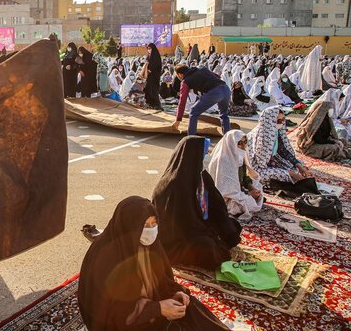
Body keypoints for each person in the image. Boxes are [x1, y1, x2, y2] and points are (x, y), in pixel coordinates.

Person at [78, 196, 231, 331]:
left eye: (154, 224)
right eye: (144, 226)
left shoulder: (150, 247)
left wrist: (176, 293)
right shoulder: (107, 258)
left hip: (146, 309)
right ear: (130, 226)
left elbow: (163, 281)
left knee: (190, 308)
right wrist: (157, 309)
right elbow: (114, 314)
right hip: (116, 323)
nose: (151, 230)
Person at [152, 137, 242, 271]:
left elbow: (216, 205)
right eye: (204, 153)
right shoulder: (173, 184)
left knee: (233, 225)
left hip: (198, 224)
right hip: (178, 236)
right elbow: (183, 223)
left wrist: (219, 226)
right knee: (206, 246)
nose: (206, 156)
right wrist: (208, 231)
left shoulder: (201, 175)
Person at [207, 130, 264, 221]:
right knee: (239, 205)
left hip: (237, 191)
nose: (243, 146)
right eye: (239, 143)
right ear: (231, 143)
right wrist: (248, 194)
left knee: (258, 190)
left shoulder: (239, 156)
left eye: (245, 142)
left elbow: (244, 178)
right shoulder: (223, 160)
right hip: (224, 197)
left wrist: (251, 188)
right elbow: (226, 191)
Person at [246, 106, 311, 185]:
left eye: (283, 119)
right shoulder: (262, 136)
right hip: (257, 167)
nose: (282, 123)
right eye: (278, 120)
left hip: (271, 160)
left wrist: (299, 166)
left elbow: (283, 150)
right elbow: (261, 164)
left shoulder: (276, 131)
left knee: (296, 168)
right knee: (262, 176)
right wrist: (289, 173)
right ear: (270, 121)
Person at [171, 64, 231, 135]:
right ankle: (228, 139)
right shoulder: (201, 68)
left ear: (180, 74)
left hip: (215, 93)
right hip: (226, 89)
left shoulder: (185, 81)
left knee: (193, 112)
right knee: (224, 115)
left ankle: (191, 138)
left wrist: (178, 119)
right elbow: (217, 76)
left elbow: (182, 101)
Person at [144, 43, 162, 110]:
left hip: (154, 76)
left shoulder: (156, 55)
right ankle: (150, 103)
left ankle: (156, 105)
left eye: (150, 48)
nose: (149, 50)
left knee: (154, 90)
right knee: (148, 89)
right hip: (150, 76)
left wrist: (150, 69)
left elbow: (156, 65)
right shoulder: (149, 55)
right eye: (148, 49)